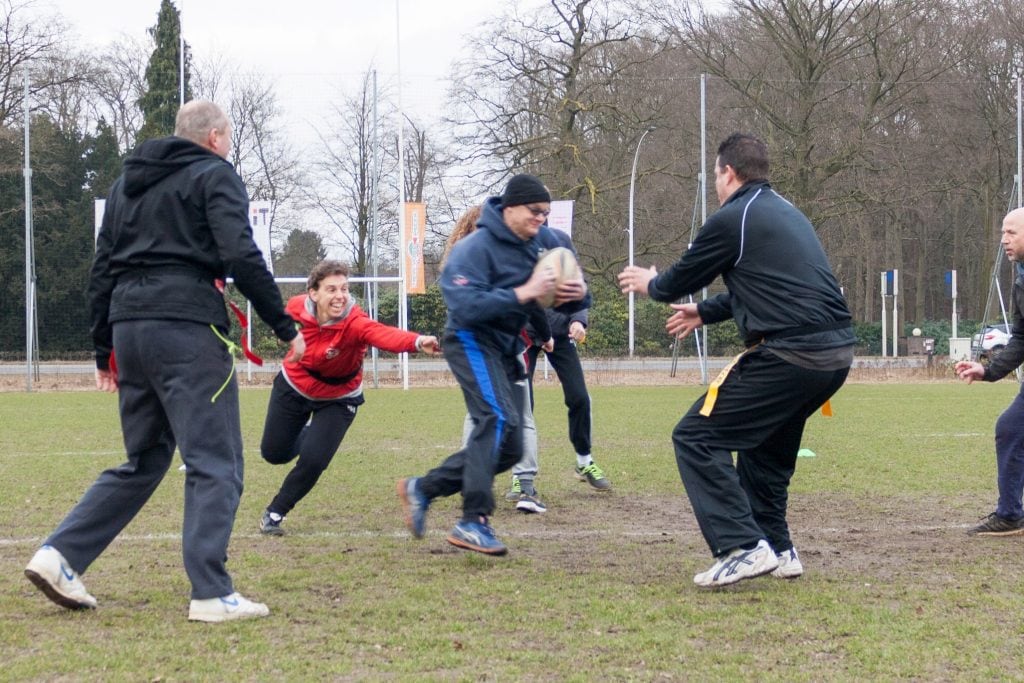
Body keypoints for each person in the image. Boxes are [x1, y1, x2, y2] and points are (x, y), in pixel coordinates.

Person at [23, 100, 305, 622]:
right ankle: (211, 592)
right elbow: (241, 254)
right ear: (215, 136)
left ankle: (59, 555)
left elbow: (102, 268)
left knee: (146, 458)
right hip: (186, 329)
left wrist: (103, 349)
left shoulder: (125, 186)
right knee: (216, 460)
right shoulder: (215, 175)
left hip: (129, 329)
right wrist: (285, 326)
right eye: (227, 138)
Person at [618, 133, 854, 587]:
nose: (715, 184)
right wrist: (704, 312)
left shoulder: (734, 218)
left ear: (727, 172)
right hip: (833, 356)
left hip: (789, 354)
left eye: (715, 175)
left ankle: (742, 547)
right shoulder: (787, 213)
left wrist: (652, 284)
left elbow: (676, 280)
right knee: (765, 453)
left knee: (695, 436)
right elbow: (769, 287)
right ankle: (779, 549)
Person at [397, 174, 590, 555]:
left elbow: (569, 295)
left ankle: (423, 488)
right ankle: (473, 520)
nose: (541, 219)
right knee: (496, 419)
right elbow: (464, 304)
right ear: (510, 207)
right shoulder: (473, 249)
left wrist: (577, 295)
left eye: (546, 213)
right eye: (535, 211)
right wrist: (524, 292)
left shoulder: (546, 243)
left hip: (505, 347)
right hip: (470, 339)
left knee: (512, 447)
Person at [258, 260, 439, 535]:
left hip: (339, 397)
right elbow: (281, 321)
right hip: (295, 385)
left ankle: (275, 512)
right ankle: (309, 433)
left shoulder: (355, 322)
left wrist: (417, 341)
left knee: (314, 460)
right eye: (331, 289)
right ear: (313, 293)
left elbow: (383, 335)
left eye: (344, 289)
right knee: (273, 453)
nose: (340, 296)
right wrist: (281, 329)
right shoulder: (296, 306)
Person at [444, 206, 552, 514]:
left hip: (479, 347)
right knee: (518, 416)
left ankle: (473, 482)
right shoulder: (498, 256)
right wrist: (545, 334)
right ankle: (523, 485)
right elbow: (528, 302)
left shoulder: (460, 258)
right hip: (498, 347)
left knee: (480, 416)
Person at [520, 231, 611, 496]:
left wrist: (578, 321)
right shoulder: (515, 245)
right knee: (523, 404)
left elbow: (577, 287)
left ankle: (584, 461)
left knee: (579, 397)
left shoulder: (561, 246)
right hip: (524, 335)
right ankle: (520, 475)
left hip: (560, 335)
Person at [955, 207, 1024, 536]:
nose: (1004, 240)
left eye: (1011, 232)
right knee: (1010, 429)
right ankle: (1010, 515)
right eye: (1002, 233)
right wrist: (988, 370)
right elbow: (1021, 338)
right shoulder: (1020, 280)